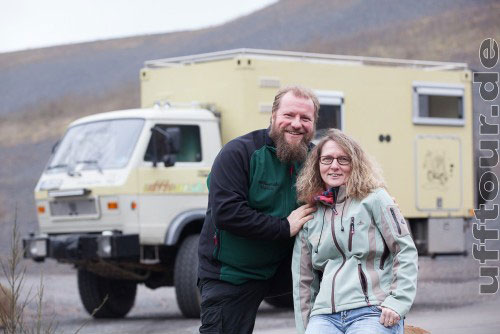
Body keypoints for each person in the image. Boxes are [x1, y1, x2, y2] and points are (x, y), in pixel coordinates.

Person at [197, 86, 319, 333]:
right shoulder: (239, 152)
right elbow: (227, 213)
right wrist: (284, 227)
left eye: (305, 118)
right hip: (233, 273)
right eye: (289, 115)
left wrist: (378, 199)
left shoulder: (317, 158)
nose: (297, 124)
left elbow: (350, 185)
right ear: (273, 115)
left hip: (287, 269)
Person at [292, 129, 418, 334]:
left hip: (371, 309)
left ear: (356, 163)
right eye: (327, 159)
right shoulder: (311, 213)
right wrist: (306, 327)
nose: (334, 166)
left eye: (343, 159)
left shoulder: (376, 198)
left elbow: (405, 250)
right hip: (324, 315)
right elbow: (302, 280)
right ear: (317, 165)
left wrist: (397, 303)